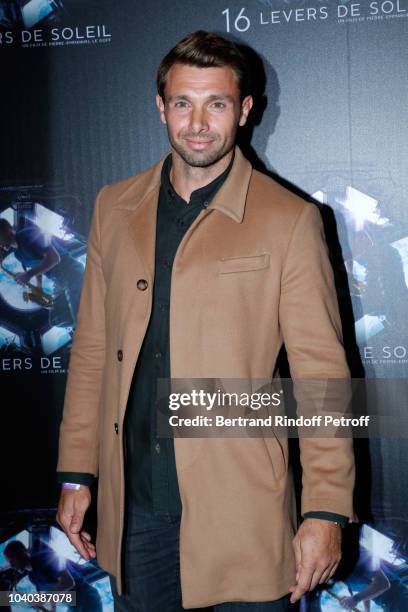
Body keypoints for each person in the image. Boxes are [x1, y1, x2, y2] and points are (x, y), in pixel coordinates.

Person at [55, 30, 356, 611]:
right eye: (182, 103)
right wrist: (76, 473)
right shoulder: (113, 207)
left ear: (244, 111)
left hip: (242, 512)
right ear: (160, 106)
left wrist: (325, 510)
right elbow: (91, 349)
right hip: (135, 512)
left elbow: (324, 380)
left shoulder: (289, 220)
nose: (197, 123)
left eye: (216, 103)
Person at [4, 539, 102, 611]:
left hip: (87, 598)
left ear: (22, 552)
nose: (12, 566)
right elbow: (53, 593)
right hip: (73, 606)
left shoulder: (44, 558)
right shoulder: (32, 577)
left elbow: (68, 582)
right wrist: (52, 610)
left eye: (12, 560)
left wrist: (42, 599)